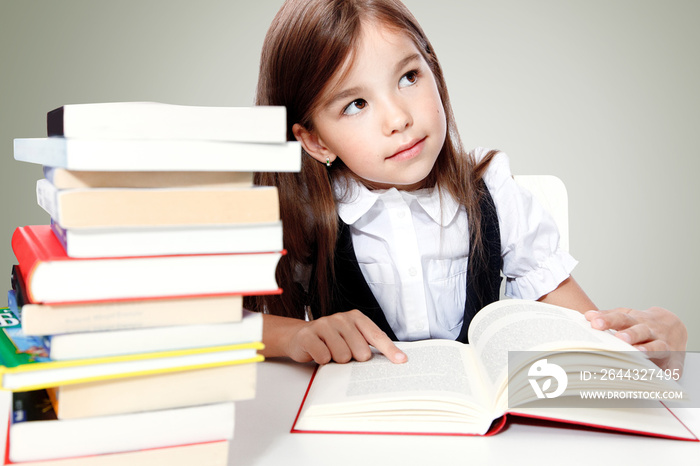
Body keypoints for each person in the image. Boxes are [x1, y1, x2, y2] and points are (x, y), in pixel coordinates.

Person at [244, 0, 687, 371]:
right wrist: (297, 336)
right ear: (315, 140)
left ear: (432, 68)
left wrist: (655, 344)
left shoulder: (494, 193)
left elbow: (587, 333)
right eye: (357, 104)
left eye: (409, 77)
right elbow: (213, 323)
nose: (399, 118)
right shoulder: (305, 214)